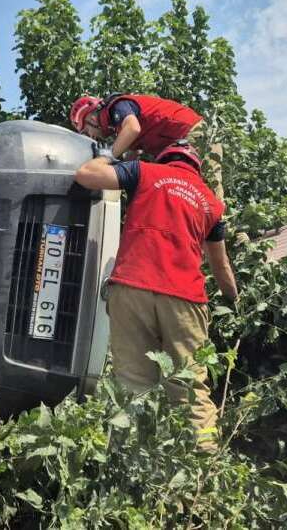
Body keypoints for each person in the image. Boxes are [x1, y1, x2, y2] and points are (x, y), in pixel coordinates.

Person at [74, 142, 238, 449]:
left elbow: (86, 175)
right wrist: (234, 299)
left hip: (132, 288)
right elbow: (221, 265)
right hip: (185, 299)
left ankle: (133, 466)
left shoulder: (144, 172)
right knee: (188, 387)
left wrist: (111, 154)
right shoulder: (212, 204)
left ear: (165, 158)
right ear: (196, 167)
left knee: (133, 384)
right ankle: (202, 468)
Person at [70, 94, 226, 201]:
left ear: (91, 117)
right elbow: (132, 157)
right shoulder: (120, 129)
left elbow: (133, 128)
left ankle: (221, 232)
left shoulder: (118, 106)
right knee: (176, 191)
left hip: (195, 133)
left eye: (85, 130)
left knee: (207, 191)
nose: (90, 136)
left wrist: (106, 157)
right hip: (181, 144)